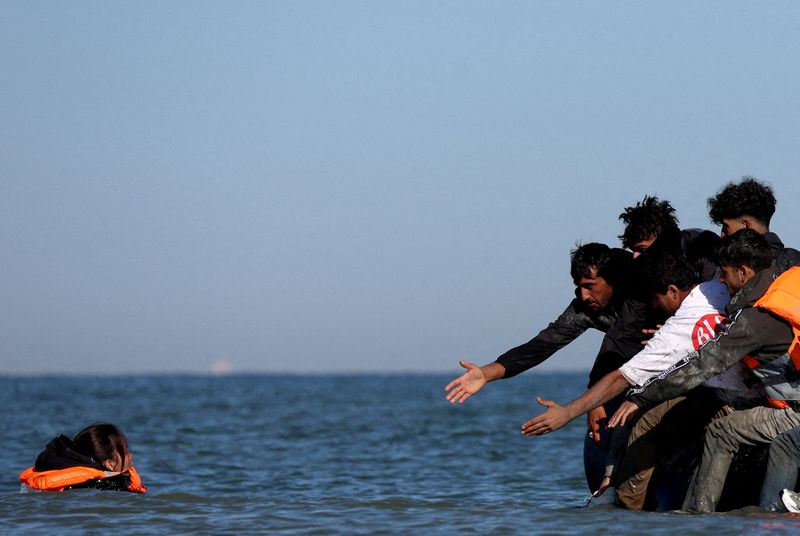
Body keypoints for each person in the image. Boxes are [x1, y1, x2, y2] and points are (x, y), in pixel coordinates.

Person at [519, 250, 758, 509]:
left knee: (639, 418)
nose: (654, 307)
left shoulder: (673, 333)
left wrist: (567, 413)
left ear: (672, 291)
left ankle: (629, 507)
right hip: (757, 394)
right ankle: (612, 484)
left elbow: (620, 378)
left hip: (735, 402)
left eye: (656, 299)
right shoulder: (718, 287)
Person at [610, 230, 800, 513]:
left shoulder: (754, 321)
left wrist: (641, 397)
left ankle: (705, 514)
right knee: (724, 429)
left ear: (744, 271)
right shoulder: (788, 284)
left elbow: (700, 367)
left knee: (724, 433)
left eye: (724, 273)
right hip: (788, 403)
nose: (721, 281)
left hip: (794, 412)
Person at [444, 242, 653, 490]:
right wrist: (486, 374)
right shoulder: (584, 307)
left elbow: (616, 342)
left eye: (590, 286)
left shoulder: (643, 290)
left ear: (611, 280)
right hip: (630, 369)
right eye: (579, 287)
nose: (584, 295)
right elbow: (542, 344)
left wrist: (593, 395)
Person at [19, 423, 146, 493]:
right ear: (110, 464)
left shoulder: (67, 476)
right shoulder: (114, 485)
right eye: (126, 451)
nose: (130, 455)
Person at [707, 176, 800, 272]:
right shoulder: (795, 261)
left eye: (726, 226)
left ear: (745, 225)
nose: (722, 234)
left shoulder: (731, 269)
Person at [618, 195, 720, 282]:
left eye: (642, 250)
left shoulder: (703, 247)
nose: (635, 257)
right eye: (633, 250)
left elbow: (717, 295)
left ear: (665, 241)